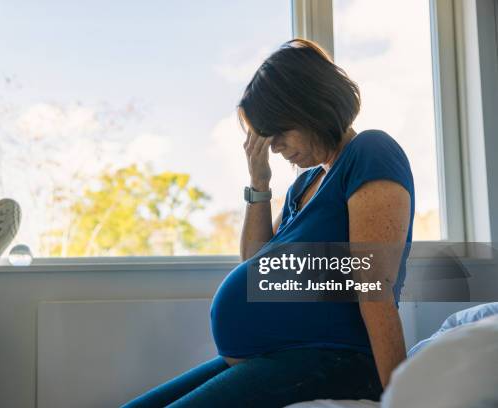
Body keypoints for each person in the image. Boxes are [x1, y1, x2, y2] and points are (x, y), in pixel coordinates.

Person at [123, 38, 415, 407]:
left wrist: (400, 396)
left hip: (338, 358)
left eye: (279, 131)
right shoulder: (305, 185)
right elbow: (256, 264)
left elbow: (375, 286)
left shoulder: (370, 152)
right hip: (283, 355)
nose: (274, 146)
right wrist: (259, 184)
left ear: (312, 107)